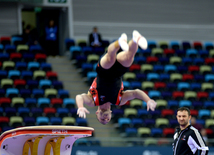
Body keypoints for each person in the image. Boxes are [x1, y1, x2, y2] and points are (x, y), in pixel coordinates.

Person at [76, 30, 157, 125]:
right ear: (111, 114)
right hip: (118, 72)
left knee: (110, 58)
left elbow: (79, 97)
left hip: (103, 71)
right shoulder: (119, 100)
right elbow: (135, 93)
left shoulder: (93, 100)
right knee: (129, 57)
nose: (105, 118)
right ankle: (136, 39)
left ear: (97, 113)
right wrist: (148, 100)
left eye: (102, 119)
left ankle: (120, 42)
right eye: (107, 119)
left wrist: (80, 107)